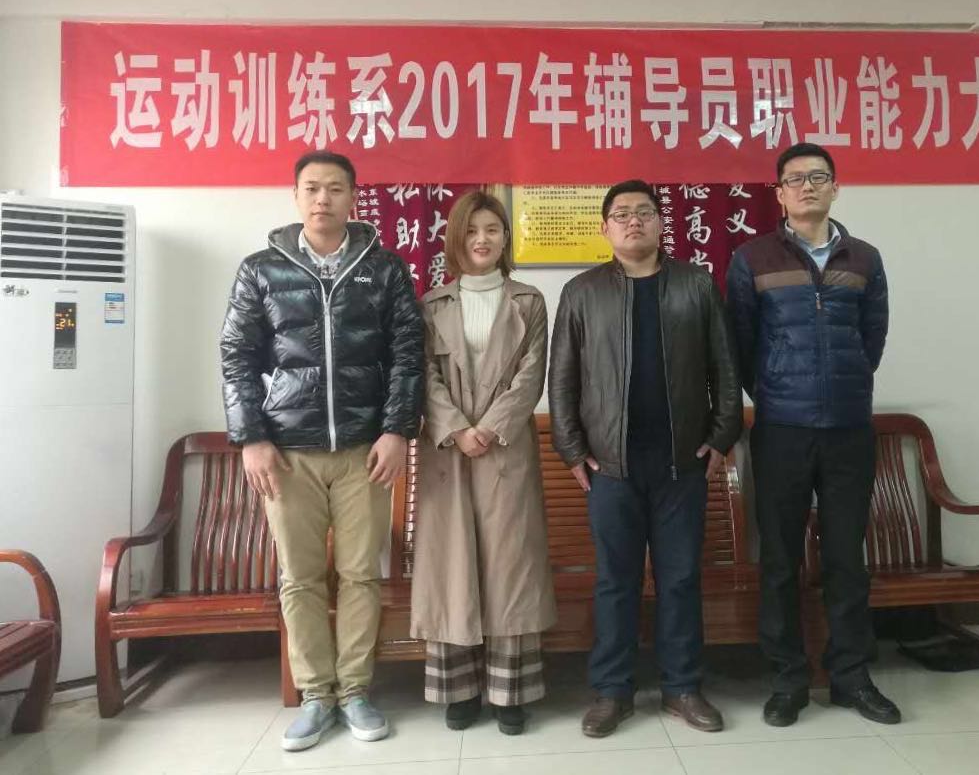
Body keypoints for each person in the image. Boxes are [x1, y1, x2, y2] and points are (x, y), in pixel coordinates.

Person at [220, 150, 425, 751]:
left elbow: (408, 353)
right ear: (296, 196)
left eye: (335, 188)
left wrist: (397, 430)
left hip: (365, 449)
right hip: (288, 452)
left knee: (361, 574)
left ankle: (355, 691)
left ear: (354, 198)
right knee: (300, 578)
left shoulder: (384, 268)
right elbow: (236, 357)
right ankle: (316, 696)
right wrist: (252, 437)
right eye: (312, 188)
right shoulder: (261, 269)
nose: (323, 199)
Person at [549, 180, 743, 738]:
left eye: (644, 212)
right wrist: (572, 449)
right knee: (616, 581)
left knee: (680, 578)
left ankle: (683, 687)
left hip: (682, 463)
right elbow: (561, 379)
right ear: (605, 228)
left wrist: (722, 436)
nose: (633, 221)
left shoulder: (695, 284)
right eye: (621, 214)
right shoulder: (582, 292)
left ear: (661, 223)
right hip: (610, 467)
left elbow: (725, 369)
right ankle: (612, 692)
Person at [726, 142, 900, 727]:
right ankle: (788, 679)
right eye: (795, 179)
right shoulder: (752, 258)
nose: (807, 187)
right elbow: (741, 343)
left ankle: (851, 677)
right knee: (779, 560)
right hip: (781, 430)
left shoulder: (865, 259)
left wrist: (846, 385)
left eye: (818, 177)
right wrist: (774, 389)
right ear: (778, 193)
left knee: (847, 558)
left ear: (835, 188)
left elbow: (872, 339)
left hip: (849, 429)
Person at [410, 191, 557, 736]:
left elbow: (532, 373)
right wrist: (456, 428)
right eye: (472, 230)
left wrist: (490, 427)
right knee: (452, 564)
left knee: (509, 566)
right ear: (456, 238)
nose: (482, 239)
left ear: (505, 237)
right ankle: (460, 689)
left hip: (505, 448)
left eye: (493, 229)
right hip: (447, 451)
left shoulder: (529, 301)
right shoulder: (432, 304)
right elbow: (423, 374)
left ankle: (509, 692)